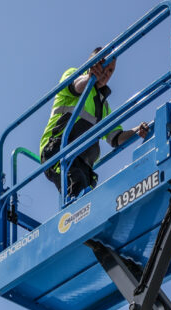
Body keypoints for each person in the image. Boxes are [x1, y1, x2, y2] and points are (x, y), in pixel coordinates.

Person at [40, 47, 152, 201]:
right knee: (77, 189)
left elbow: (116, 138)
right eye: (104, 65)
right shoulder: (74, 74)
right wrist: (89, 77)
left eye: (111, 70)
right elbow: (75, 87)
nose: (106, 73)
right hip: (58, 153)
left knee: (90, 196)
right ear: (91, 63)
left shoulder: (104, 106)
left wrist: (136, 131)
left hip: (84, 163)